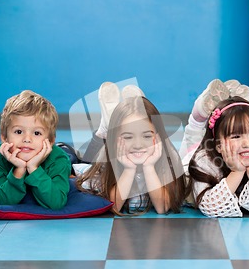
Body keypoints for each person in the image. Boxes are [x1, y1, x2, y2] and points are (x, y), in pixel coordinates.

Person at [75, 83, 187, 215]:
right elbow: (113, 206)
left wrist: (149, 167)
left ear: (158, 137)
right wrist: (129, 169)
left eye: (146, 136)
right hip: (106, 156)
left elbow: (162, 208)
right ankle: (106, 128)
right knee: (93, 159)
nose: (138, 144)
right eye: (128, 137)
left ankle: (130, 113)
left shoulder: (167, 160)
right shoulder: (107, 163)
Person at [184, 80, 249, 218]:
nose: (247, 143)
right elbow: (211, 208)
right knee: (191, 146)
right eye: (236, 136)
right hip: (194, 162)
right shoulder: (203, 162)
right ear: (220, 146)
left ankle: (238, 106)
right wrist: (237, 171)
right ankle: (198, 118)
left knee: (239, 117)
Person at [0, 90, 71, 210]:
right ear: (4, 137)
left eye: (37, 133)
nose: (27, 139)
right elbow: (2, 201)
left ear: (51, 141)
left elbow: (56, 203)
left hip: (63, 155)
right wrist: (19, 170)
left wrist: (33, 168)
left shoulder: (58, 159)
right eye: (19, 132)